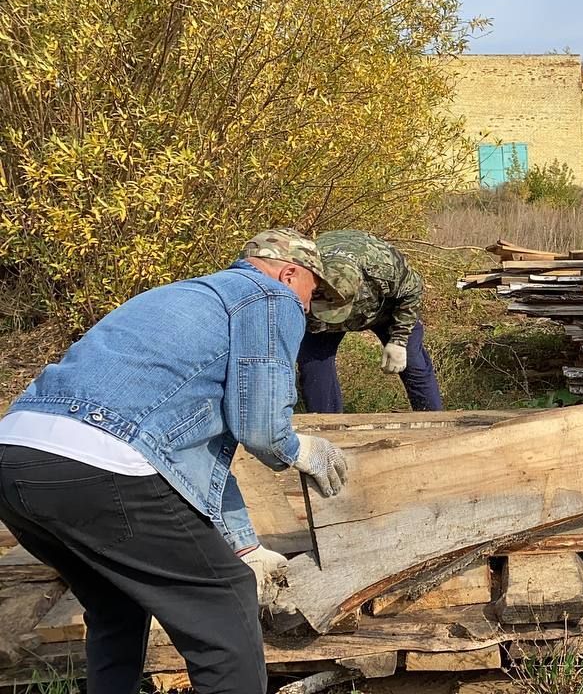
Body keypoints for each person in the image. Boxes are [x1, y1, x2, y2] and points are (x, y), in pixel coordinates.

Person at [0, 229, 351, 694]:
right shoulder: (268, 297)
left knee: (116, 605)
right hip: (102, 456)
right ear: (289, 273)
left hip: (15, 455)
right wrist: (298, 450)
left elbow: (198, 459)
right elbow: (260, 427)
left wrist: (244, 544)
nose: (311, 306)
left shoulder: (183, 296)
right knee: (226, 602)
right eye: (314, 292)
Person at [296, 230, 443, 413]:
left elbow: (412, 293)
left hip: (384, 309)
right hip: (320, 319)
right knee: (314, 366)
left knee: (413, 362)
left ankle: (433, 421)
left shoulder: (383, 266)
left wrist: (399, 340)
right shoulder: (304, 269)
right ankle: (327, 426)